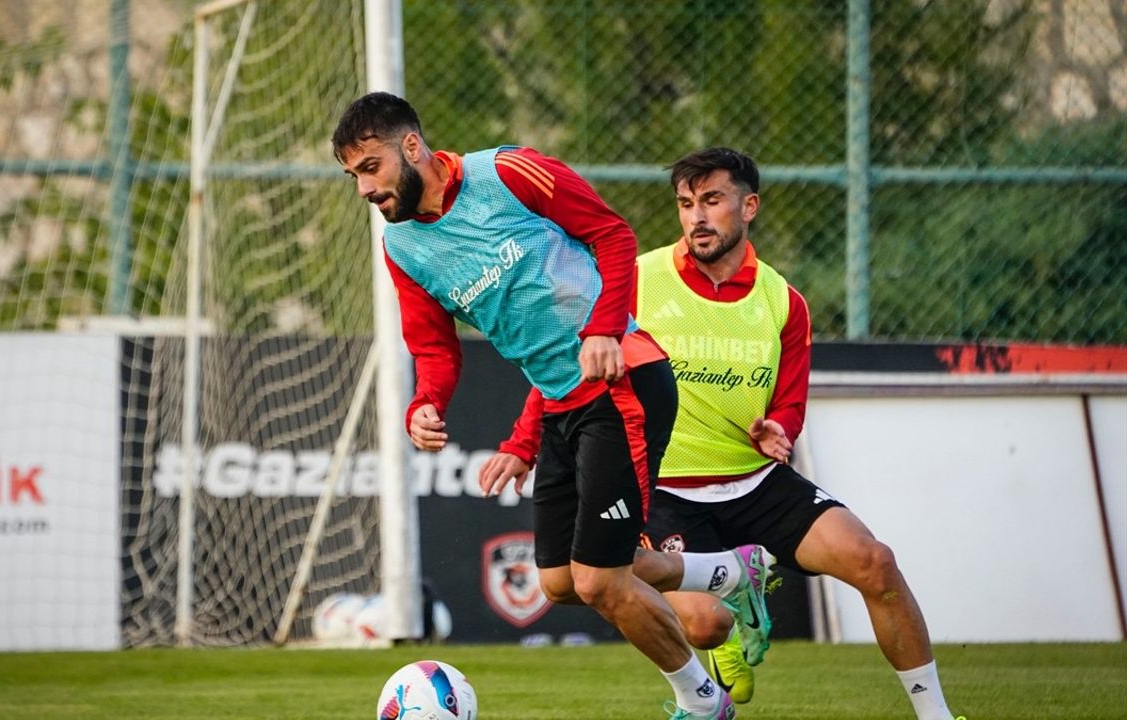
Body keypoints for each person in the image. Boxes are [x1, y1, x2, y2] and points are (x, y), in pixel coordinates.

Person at [332, 93, 770, 720]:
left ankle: (704, 705)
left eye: (370, 167)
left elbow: (613, 235)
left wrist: (602, 330)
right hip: (561, 403)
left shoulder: (508, 172)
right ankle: (732, 573)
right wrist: (426, 404)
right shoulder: (403, 248)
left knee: (601, 579)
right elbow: (433, 346)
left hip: (625, 383)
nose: (365, 190)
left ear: (410, 147)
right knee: (562, 583)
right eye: (353, 176)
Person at [483, 147, 962, 720]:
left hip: (753, 480)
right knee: (704, 623)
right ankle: (733, 593)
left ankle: (936, 715)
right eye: (686, 204)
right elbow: (568, 366)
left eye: (712, 200)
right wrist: (522, 442)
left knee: (876, 563)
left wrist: (777, 428)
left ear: (749, 205)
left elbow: (789, 401)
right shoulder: (635, 279)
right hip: (663, 489)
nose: (696, 217)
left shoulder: (784, 302)